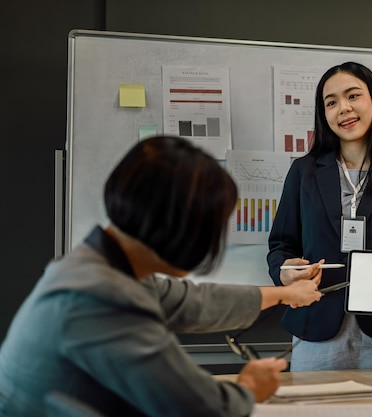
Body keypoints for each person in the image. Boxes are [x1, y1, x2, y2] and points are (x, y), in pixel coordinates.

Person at [0, 136, 322, 417]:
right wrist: (249, 389)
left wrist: (283, 294)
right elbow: (193, 405)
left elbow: (192, 302)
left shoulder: (99, 265)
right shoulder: (103, 295)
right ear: (179, 226)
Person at [267, 61, 372, 371]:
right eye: (331, 102)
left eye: (353, 96)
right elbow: (281, 245)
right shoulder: (303, 172)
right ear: (324, 114)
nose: (343, 108)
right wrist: (283, 273)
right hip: (318, 332)